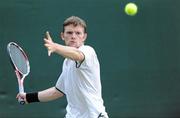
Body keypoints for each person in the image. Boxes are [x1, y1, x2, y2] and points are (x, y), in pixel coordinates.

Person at [16, 16, 109, 118]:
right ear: (62, 36)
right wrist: (29, 98)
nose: (73, 36)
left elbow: (77, 54)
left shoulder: (88, 51)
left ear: (84, 37)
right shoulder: (67, 62)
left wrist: (55, 47)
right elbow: (57, 91)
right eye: (69, 33)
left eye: (78, 33)